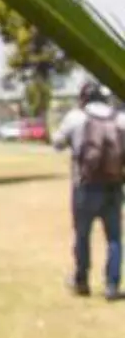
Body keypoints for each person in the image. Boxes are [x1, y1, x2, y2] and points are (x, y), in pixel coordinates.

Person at [52, 80, 123, 299]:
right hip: (113, 185)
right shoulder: (119, 117)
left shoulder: (76, 117)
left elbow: (56, 143)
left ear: (83, 98)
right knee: (114, 238)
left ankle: (81, 280)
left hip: (85, 186)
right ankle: (112, 285)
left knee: (82, 235)